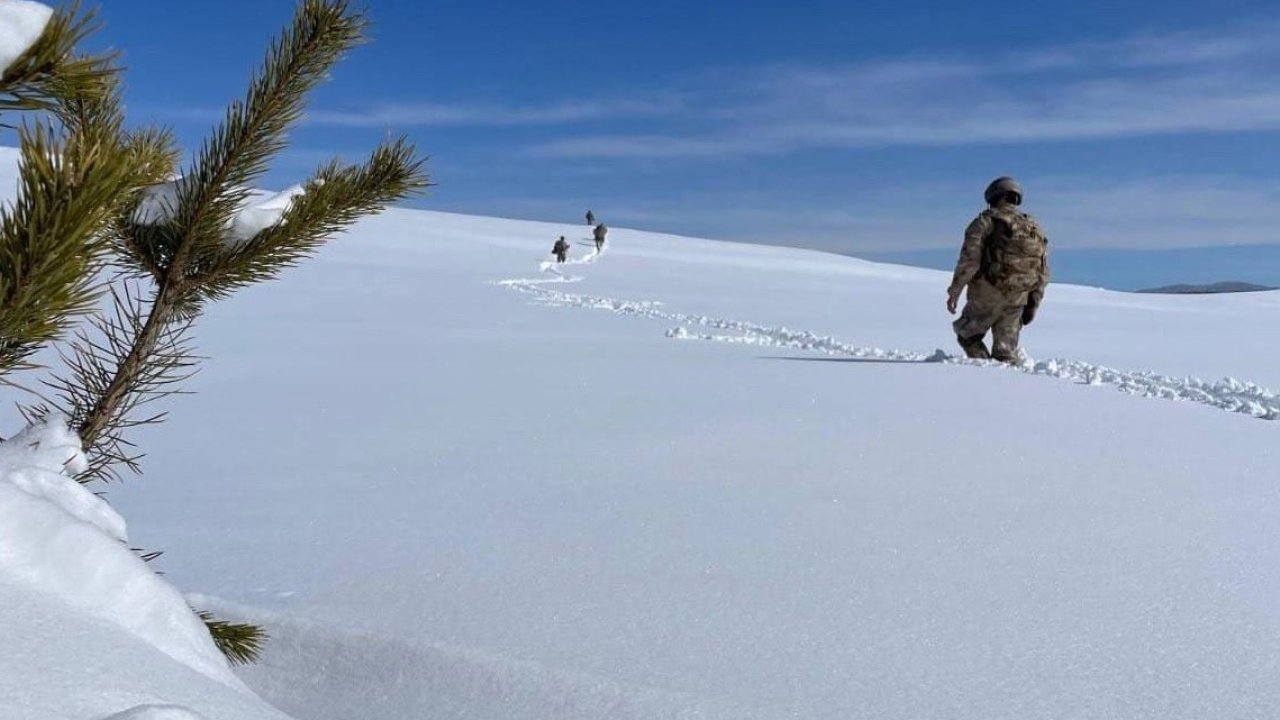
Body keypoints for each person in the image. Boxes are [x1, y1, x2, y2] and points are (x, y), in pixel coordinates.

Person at [946, 176, 1049, 363]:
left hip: (987, 292)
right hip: (1019, 296)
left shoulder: (985, 221)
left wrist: (955, 291)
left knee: (967, 335)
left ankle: (985, 372)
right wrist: (1033, 304)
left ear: (993, 197)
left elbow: (969, 260)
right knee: (1005, 353)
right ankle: (1003, 379)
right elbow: (1042, 271)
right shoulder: (1034, 228)